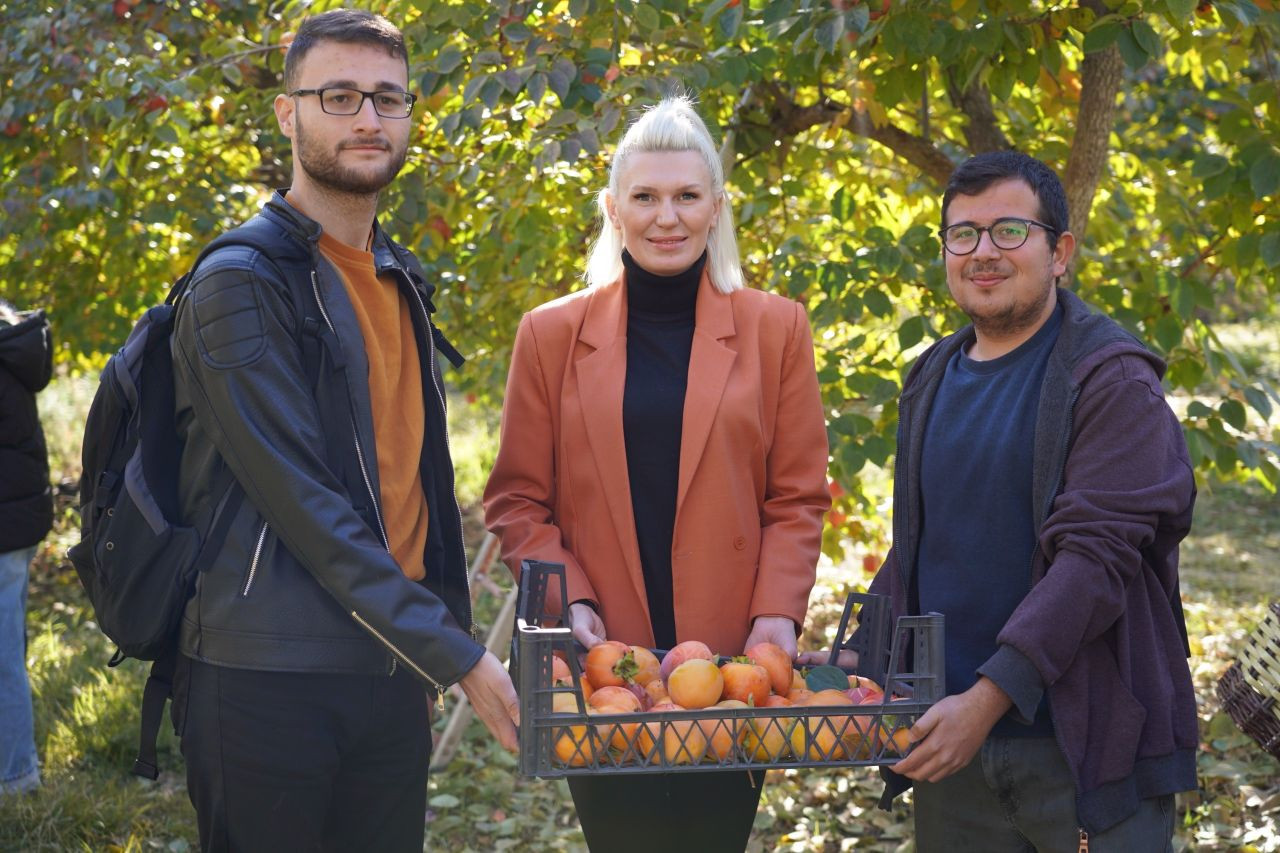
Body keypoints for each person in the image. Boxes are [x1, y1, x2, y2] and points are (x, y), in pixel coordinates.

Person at [168, 10, 519, 851]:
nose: (368, 117)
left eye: (388, 98)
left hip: (389, 669)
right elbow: (305, 503)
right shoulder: (239, 284)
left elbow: (416, 485)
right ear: (289, 114)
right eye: (340, 95)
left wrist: (433, 639)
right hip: (266, 679)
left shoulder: (398, 277)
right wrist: (459, 653)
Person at [483, 96, 831, 852]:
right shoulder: (550, 335)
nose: (665, 216)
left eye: (685, 196)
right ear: (614, 209)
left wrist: (779, 610)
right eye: (645, 197)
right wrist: (566, 596)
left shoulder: (777, 329)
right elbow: (517, 498)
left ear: (716, 208)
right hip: (606, 661)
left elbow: (797, 496)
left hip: (731, 664)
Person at [842, 151, 1197, 851]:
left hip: (1085, 751)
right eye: (962, 234)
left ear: (1059, 251)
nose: (983, 252)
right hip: (951, 746)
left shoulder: (1111, 379)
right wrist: (848, 664)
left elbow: (1094, 563)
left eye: (1009, 231)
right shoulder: (931, 375)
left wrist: (988, 698)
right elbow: (923, 547)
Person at [0, 299, 53, 796]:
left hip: (7, 522)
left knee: (3, 657)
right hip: (18, 517)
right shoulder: (13, 338)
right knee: (7, 647)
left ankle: (15, 775)